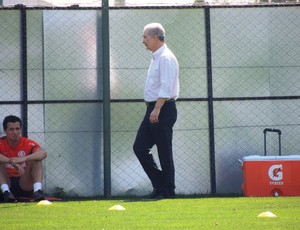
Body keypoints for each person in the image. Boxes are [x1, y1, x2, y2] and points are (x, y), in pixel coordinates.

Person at [133, 23, 180, 199]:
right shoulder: (156, 57)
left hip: (162, 108)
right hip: (153, 109)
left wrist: (157, 109)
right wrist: (153, 109)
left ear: (155, 37)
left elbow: (167, 87)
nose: (142, 41)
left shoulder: (166, 58)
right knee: (140, 147)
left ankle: (168, 190)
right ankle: (161, 185)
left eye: (145, 37)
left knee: (163, 150)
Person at [0, 115, 47, 202]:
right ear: (5, 131)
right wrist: (12, 162)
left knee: (36, 159)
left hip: (24, 182)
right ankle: (6, 192)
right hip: (6, 181)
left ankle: (37, 191)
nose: (15, 132)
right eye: (11, 129)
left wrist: (23, 159)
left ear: (21, 129)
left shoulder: (27, 142)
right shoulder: (1, 142)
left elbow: (43, 153)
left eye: (17, 129)